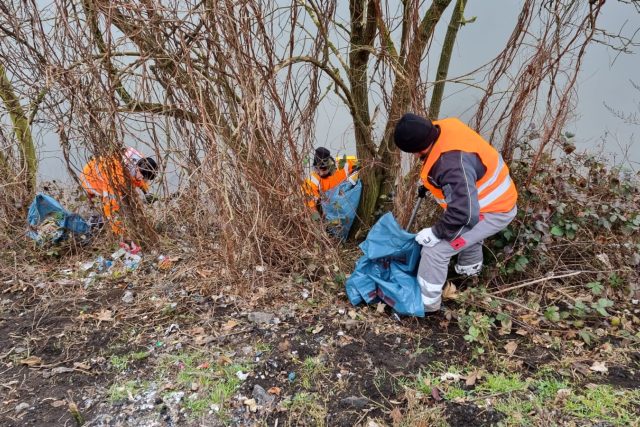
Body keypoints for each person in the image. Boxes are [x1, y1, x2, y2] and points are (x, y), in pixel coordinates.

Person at [393, 113, 518, 314]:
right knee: (467, 235)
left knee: (435, 251)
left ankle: (426, 305)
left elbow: (464, 215)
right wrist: (431, 183)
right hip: (491, 200)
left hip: (493, 210)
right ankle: (469, 277)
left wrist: (435, 233)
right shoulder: (444, 127)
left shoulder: (450, 165)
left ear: (419, 149)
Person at [80, 146, 158, 234]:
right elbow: (111, 207)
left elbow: (139, 178)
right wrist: (120, 233)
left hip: (98, 168)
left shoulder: (141, 160)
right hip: (90, 180)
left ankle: (93, 210)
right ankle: (93, 221)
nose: (144, 181)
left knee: (127, 195)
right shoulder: (117, 178)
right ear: (137, 169)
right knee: (110, 208)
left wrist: (146, 192)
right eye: (143, 178)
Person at [303, 147, 358, 220]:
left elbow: (361, 163)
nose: (320, 173)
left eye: (324, 169)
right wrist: (318, 220)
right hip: (329, 211)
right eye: (316, 169)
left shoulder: (343, 164)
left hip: (349, 203)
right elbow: (309, 203)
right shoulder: (313, 179)